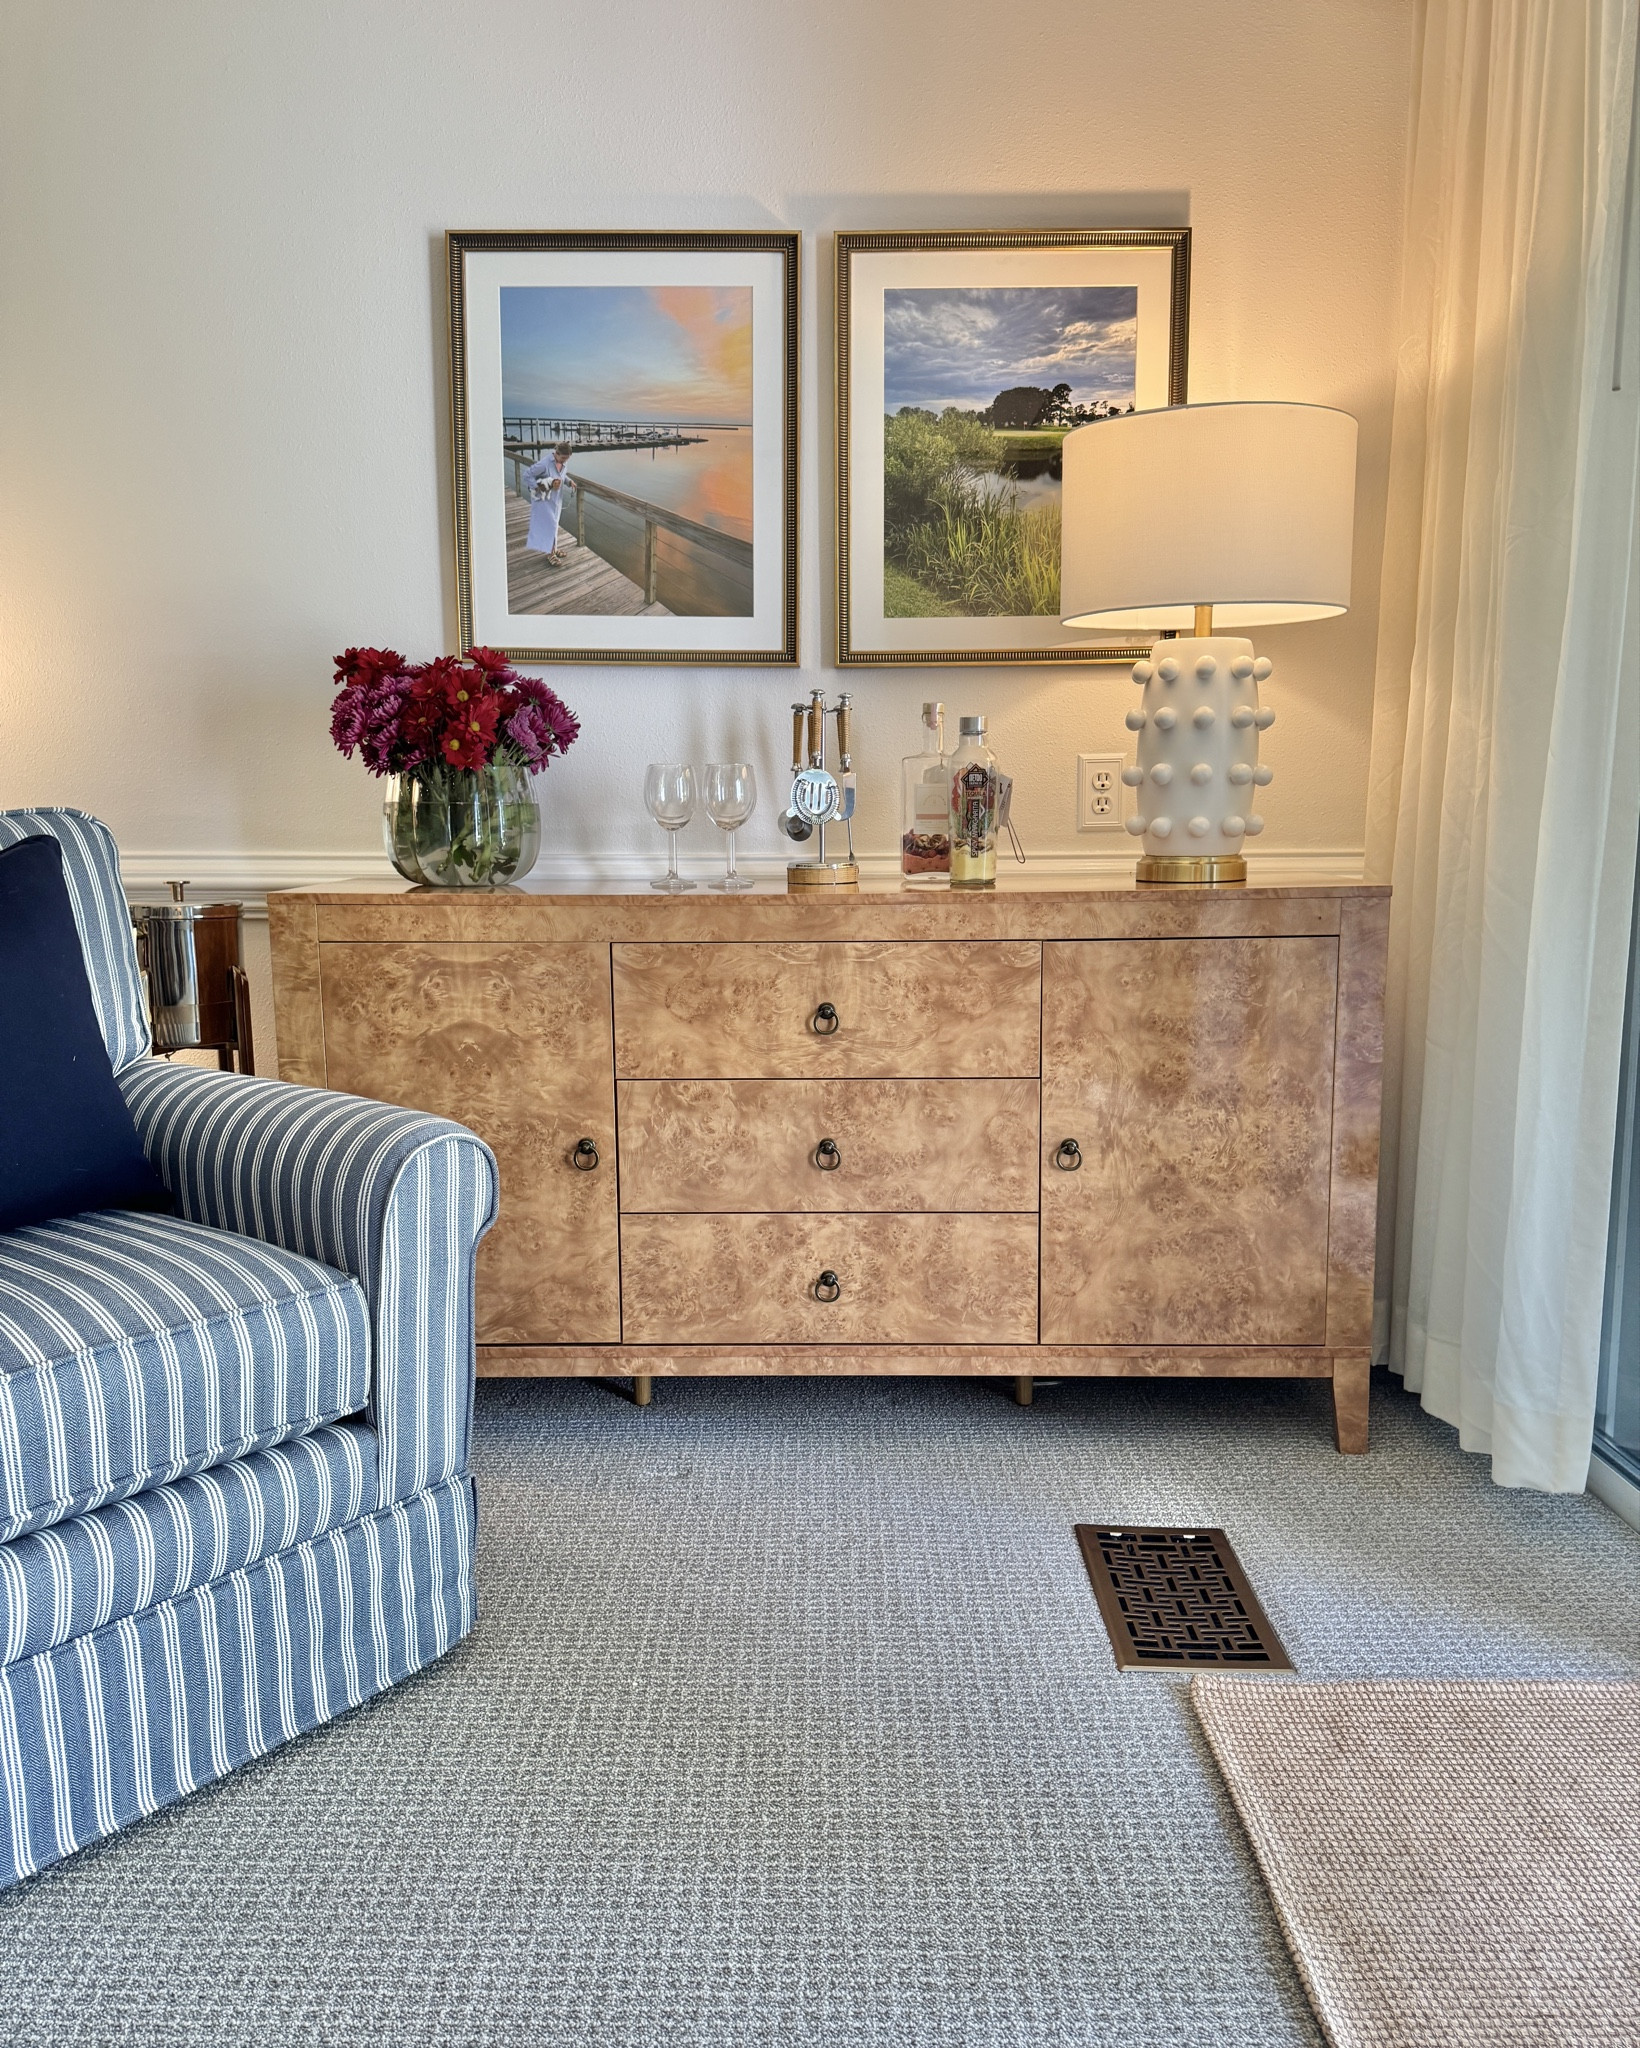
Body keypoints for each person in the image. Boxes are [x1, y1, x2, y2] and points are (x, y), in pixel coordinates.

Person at [524, 440, 573, 565]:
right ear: (556, 453)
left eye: (566, 459)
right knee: (549, 526)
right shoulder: (544, 464)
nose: (564, 461)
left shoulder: (563, 462)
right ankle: (550, 554)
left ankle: (554, 549)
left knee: (554, 525)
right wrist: (538, 487)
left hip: (557, 500)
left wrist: (568, 482)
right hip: (544, 499)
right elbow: (527, 475)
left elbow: (562, 475)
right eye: (562, 458)